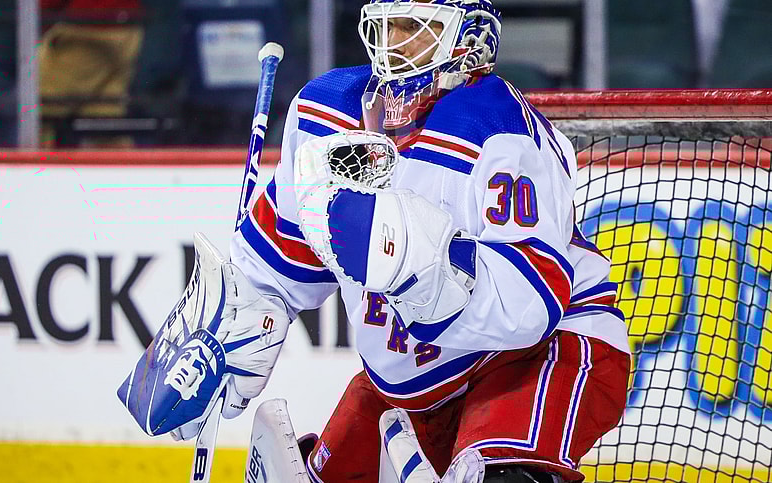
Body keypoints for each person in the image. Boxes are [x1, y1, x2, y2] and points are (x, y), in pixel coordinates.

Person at [194, 1, 631, 481]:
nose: (392, 44)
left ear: (468, 39)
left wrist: (420, 268)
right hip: (413, 381)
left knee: (503, 476)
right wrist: (231, 330)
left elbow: (529, 308)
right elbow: (279, 264)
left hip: (540, 355)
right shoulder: (325, 111)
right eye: (384, 26)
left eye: (413, 27)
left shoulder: (497, 129)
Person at [37, 0, 144, 147]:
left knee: (42, 109)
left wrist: (35, 16)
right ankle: (124, 166)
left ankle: (35, 166)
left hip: (89, 27)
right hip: (122, 25)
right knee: (102, 114)